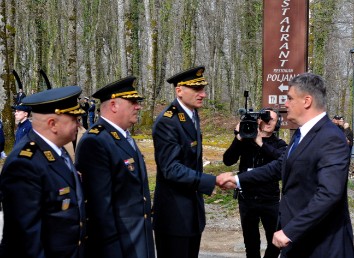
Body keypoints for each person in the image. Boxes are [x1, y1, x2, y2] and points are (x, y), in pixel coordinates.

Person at [221, 73, 354, 258]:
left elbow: (329, 194)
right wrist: (237, 179)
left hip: (321, 245)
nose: (285, 104)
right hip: (299, 243)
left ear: (307, 101)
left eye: (290, 98)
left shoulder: (330, 137)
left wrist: (290, 230)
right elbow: (279, 166)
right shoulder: (301, 135)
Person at [152, 66, 235, 258]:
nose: (203, 94)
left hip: (190, 213)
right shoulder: (168, 121)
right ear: (179, 90)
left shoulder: (191, 115)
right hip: (174, 215)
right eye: (196, 89)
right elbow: (170, 168)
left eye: (203, 89)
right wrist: (210, 181)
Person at [0, 86, 86, 258]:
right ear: (53, 124)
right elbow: (26, 240)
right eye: (74, 118)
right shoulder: (25, 164)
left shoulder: (58, 151)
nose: (78, 123)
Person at [75, 76, 156, 258]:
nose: (138, 106)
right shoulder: (96, 141)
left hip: (138, 239)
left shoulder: (123, 136)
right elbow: (99, 208)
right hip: (119, 245)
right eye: (133, 102)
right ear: (113, 105)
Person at [223, 108, 287, 258]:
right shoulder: (245, 141)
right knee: (250, 243)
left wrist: (261, 144)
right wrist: (238, 138)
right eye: (265, 119)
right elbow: (228, 160)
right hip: (247, 198)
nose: (268, 122)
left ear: (277, 124)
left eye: (272, 120)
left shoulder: (279, 144)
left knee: (275, 241)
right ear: (258, 121)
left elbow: (283, 161)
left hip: (269, 199)